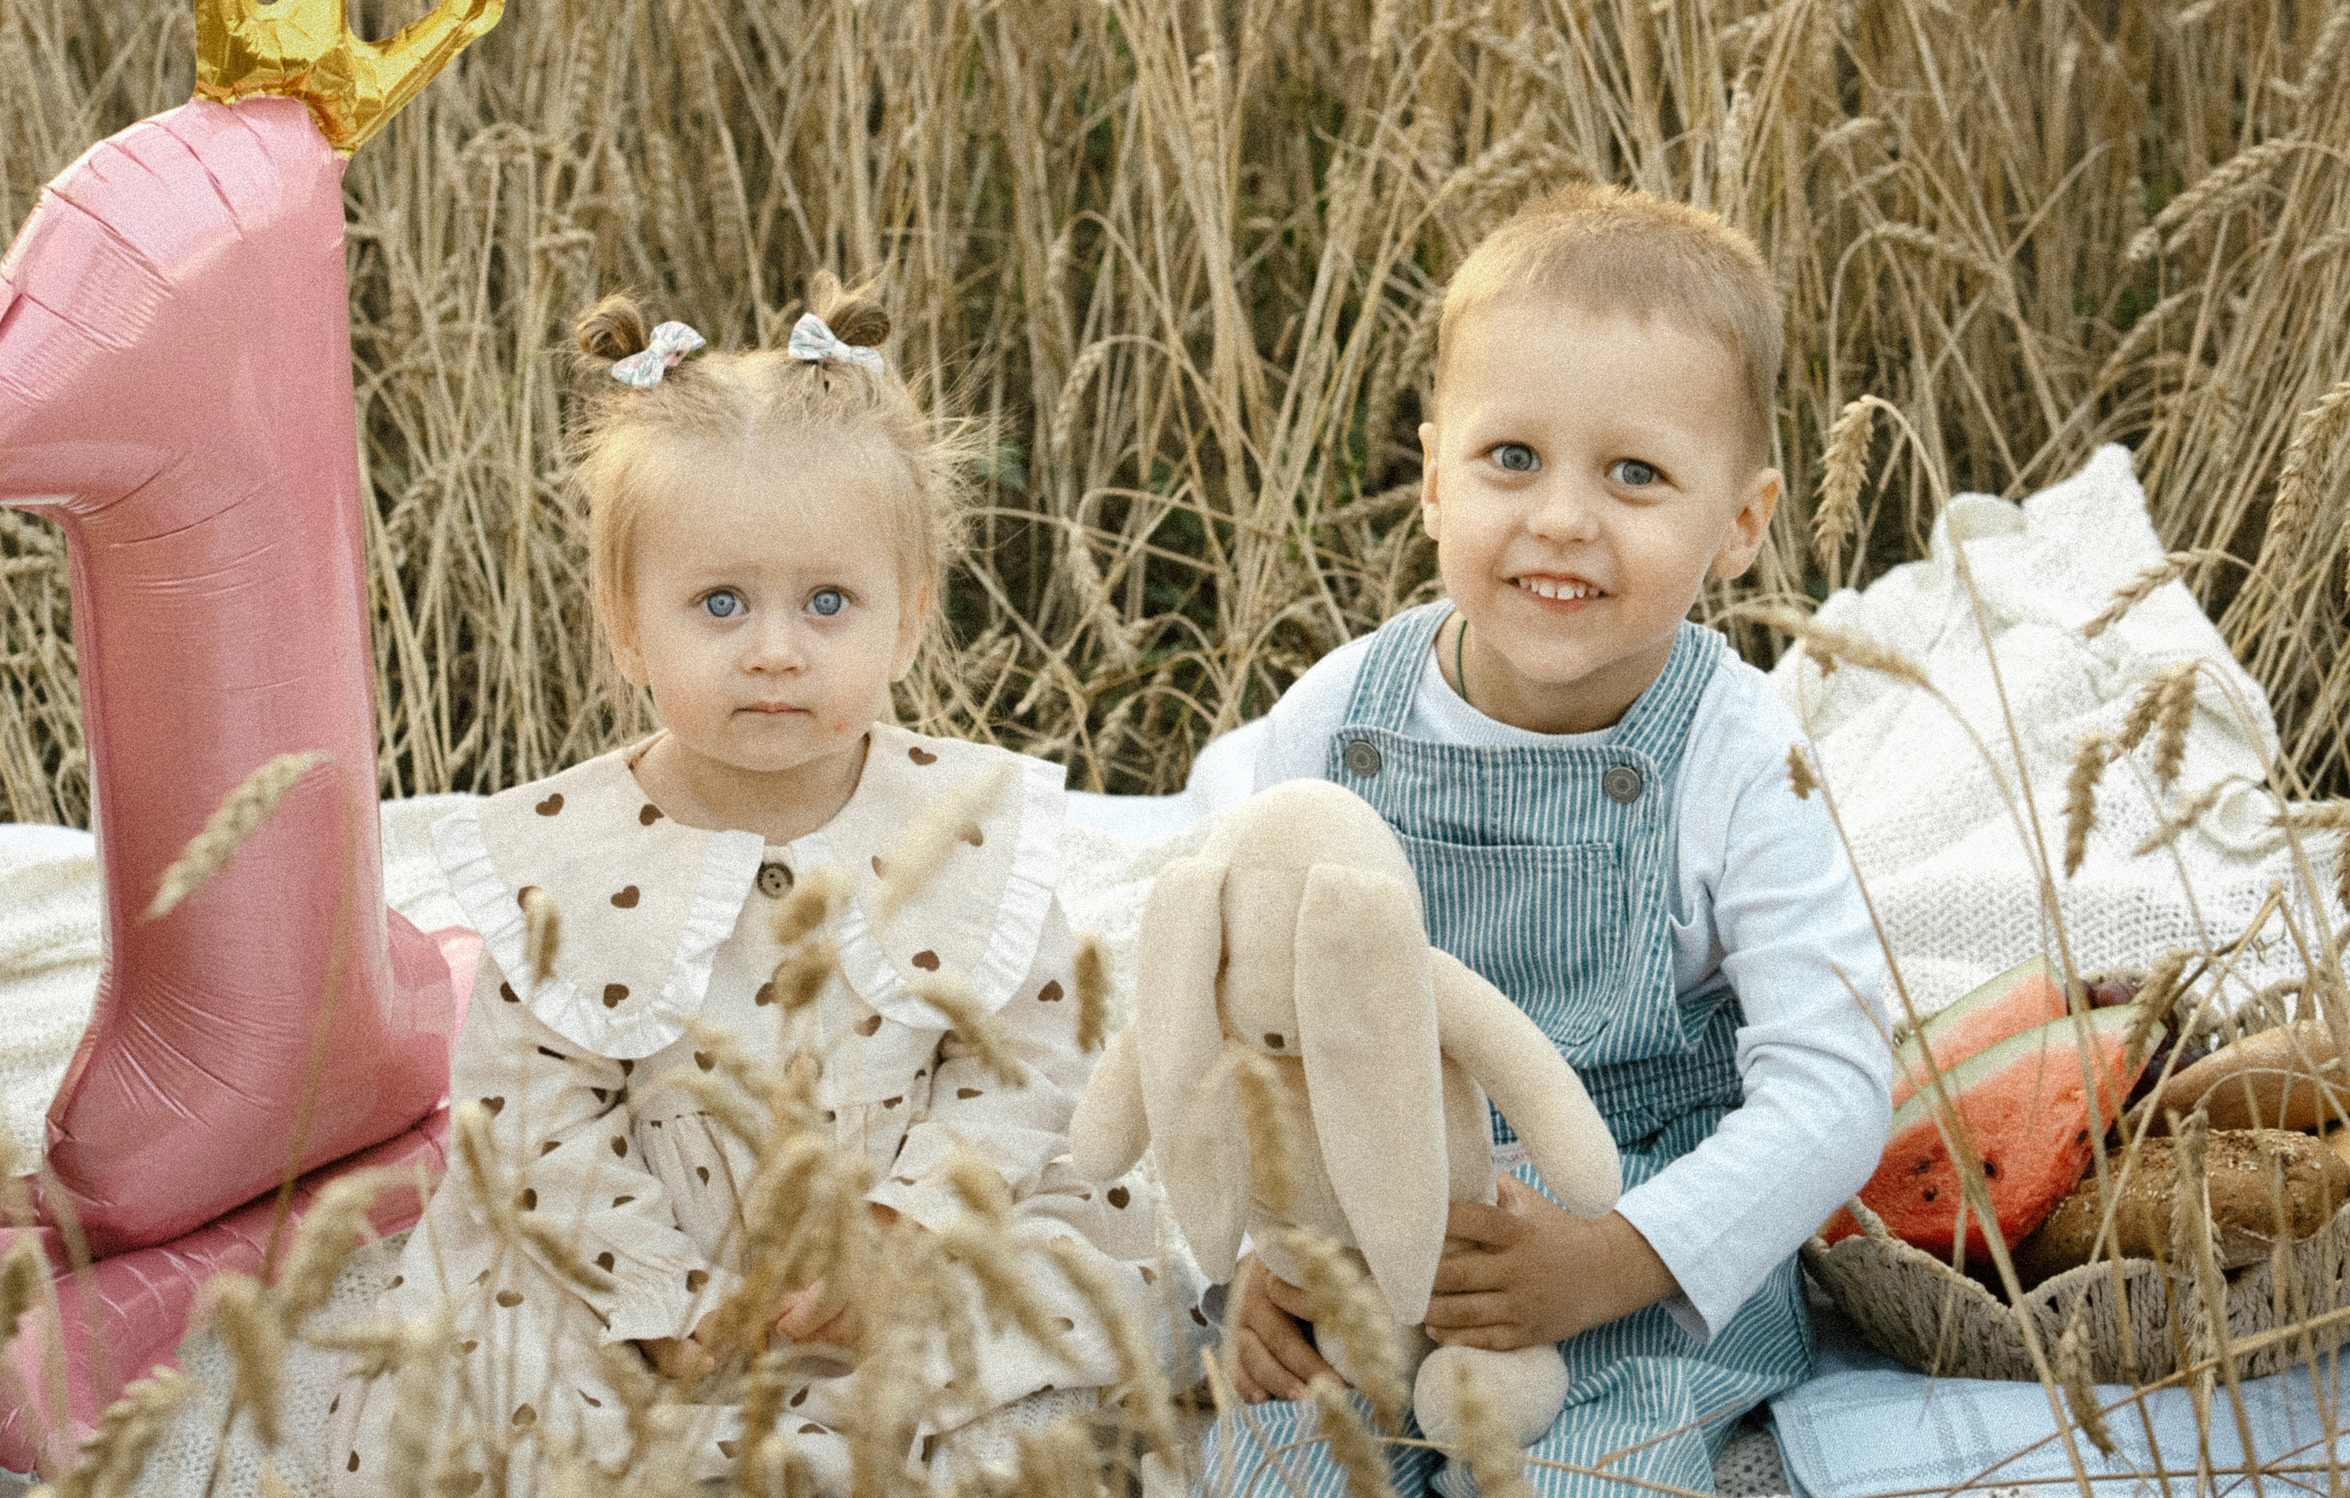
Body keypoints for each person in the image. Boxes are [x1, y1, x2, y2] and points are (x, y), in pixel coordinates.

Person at [328, 280, 1154, 1494]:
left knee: (1040, 1361)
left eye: (829, 602)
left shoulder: (957, 834)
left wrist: (905, 1228)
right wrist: (651, 1288)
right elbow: (529, 1113)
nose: (775, 648)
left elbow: (1024, 1062)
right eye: (720, 602)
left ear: (910, 621)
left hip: (900, 1254)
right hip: (646, 1273)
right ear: (626, 627)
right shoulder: (570, 853)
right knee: (486, 1377)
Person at [1200, 186, 1892, 1498]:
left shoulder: (1742, 757)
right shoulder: (1336, 718)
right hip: (1367, 1236)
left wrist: (1620, 1256)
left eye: (1635, 473)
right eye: (1510, 458)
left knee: (1578, 1484)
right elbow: (1234, 1017)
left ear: (1739, 524)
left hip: (1627, 1253)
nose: (1563, 516)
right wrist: (1242, 1261)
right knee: (1262, 1475)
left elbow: (1834, 1082)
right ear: (1431, 478)